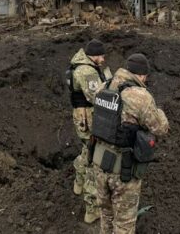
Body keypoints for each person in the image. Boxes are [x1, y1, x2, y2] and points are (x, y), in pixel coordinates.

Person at [92, 53, 169, 234]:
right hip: (123, 171)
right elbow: (160, 128)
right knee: (124, 225)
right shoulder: (140, 96)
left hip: (99, 164)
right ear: (141, 75)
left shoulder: (104, 86)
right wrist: (159, 112)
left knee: (106, 215)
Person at [68, 39, 113, 224]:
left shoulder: (83, 64)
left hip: (83, 117)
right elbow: (97, 97)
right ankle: (92, 209)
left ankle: (78, 183)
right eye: (101, 56)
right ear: (93, 55)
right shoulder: (86, 71)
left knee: (87, 152)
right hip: (88, 119)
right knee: (95, 163)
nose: (103, 59)